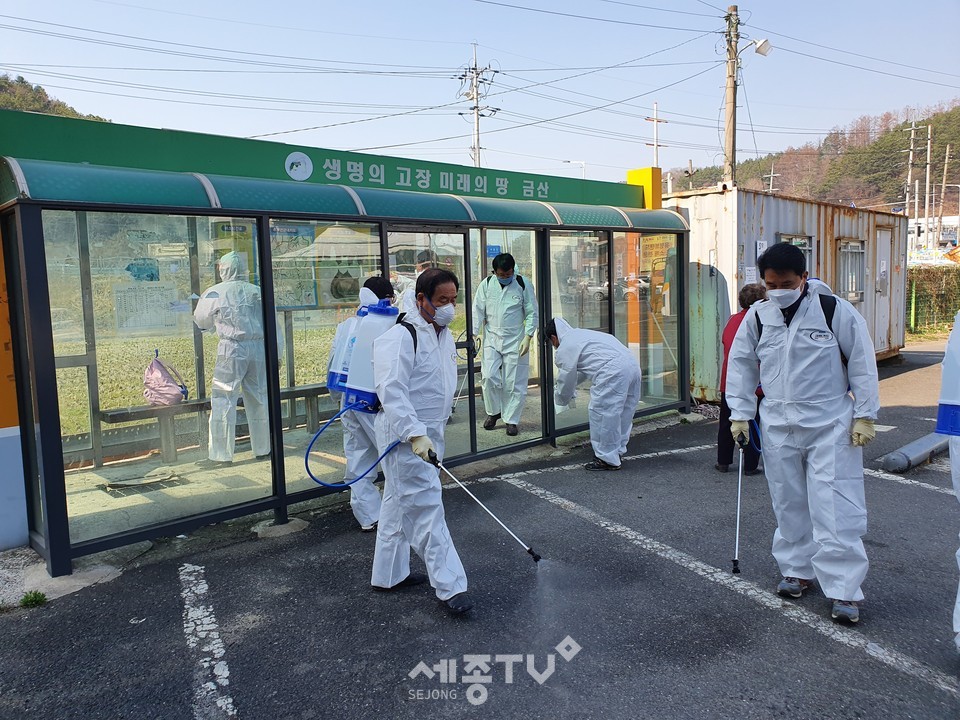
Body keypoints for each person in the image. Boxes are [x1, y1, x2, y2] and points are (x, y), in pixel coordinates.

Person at [725, 242, 880, 624]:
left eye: (787, 284)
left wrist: (865, 414)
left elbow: (862, 363)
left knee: (834, 504)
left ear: (804, 278)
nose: (778, 291)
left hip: (830, 423)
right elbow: (741, 365)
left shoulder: (833, 310)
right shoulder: (758, 317)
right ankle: (797, 570)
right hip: (778, 422)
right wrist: (740, 415)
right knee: (788, 501)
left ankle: (844, 589)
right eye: (771, 284)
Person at [371, 267, 472, 614]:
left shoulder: (442, 334)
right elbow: (391, 391)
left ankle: (388, 575)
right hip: (405, 436)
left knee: (397, 503)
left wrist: (428, 433)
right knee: (426, 507)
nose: (450, 307)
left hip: (431, 432)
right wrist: (414, 434)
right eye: (442, 300)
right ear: (421, 299)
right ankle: (451, 586)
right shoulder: (402, 336)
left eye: (454, 300)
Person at [327, 276, 395, 532]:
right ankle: (399, 513)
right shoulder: (387, 324)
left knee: (357, 457)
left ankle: (368, 515)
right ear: (388, 298)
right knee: (394, 457)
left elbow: (333, 362)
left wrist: (339, 398)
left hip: (349, 401)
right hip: (375, 402)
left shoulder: (348, 325)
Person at [194, 251, 271, 463]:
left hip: (231, 348)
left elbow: (201, 319)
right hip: (258, 347)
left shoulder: (215, 292)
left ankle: (221, 455)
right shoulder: (257, 291)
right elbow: (273, 322)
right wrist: (278, 352)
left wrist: (213, 325)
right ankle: (263, 449)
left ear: (223, 269)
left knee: (223, 397)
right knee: (259, 397)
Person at [545, 317, 642, 471]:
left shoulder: (565, 347)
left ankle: (606, 458)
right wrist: (571, 389)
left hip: (612, 371)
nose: (554, 346)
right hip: (633, 365)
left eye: (552, 343)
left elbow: (566, 379)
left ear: (553, 338)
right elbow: (583, 370)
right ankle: (617, 451)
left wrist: (560, 399)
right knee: (624, 412)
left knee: (602, 413)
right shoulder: (582, 335)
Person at [473, 253, 538, 436]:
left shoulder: (523, 284)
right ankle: (494, 412)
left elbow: (532, 311)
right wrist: (473, 333)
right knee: (488, 376)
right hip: (492, 337)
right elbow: (477, 310)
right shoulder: (487, 284)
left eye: (508, 274)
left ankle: (511, 420)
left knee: (514, 381)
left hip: (516, 338)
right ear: (494, 272)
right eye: (501, 275)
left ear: (512, 270)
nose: (505, 277)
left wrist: (528, 336)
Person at [717, 283, 767, 475]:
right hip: (754, 382)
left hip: (729, 380)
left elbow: (725, 342)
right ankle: (750, 465)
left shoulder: (732, 320)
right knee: (752, 421)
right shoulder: (760, 322)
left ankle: (723, 461)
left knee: (727, 421)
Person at [399, 248, 439, 315]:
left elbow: (402, 306)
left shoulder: (415, 287)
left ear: (420, 265)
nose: (416, 266)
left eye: (416, 263)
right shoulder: (440, 281)